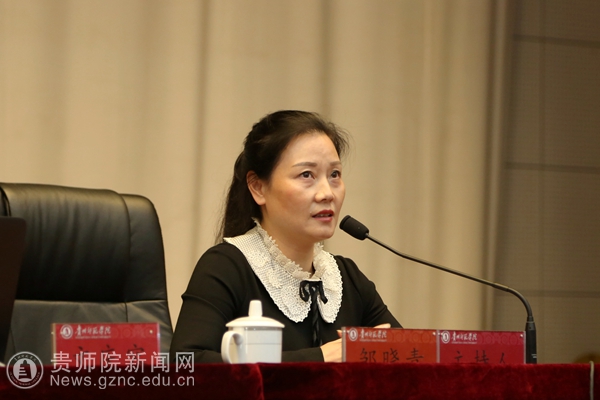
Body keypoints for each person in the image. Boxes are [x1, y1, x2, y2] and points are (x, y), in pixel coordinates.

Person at [170, 110, 401, 363]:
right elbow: (185, 362)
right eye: (306, 175)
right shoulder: (226, 267)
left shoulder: (347, 279)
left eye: (334, 174)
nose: (327, 193)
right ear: (258, 187)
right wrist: (320, 358)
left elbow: (409, 358)